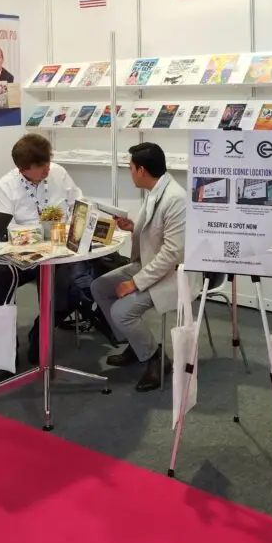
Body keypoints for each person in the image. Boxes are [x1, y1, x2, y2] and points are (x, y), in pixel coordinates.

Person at [92, 142, 187, 393]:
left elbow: (172, 253)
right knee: (100, 287)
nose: (130, 172)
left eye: (131, 168)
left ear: (142, 170)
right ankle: (137, 345)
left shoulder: (175, 199)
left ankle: (156, 359)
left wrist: (135, 283)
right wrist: (131, 226)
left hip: (170, 274)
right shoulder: (156, 190)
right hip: (149, 264)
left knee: (122, 312)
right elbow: (154, 233)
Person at [0, 134, 81, 379]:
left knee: (72, 287)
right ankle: (5, 353)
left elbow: (79, 203)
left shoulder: (58, 173)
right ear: (23, 169)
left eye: (48, 162)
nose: (47, 169)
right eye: (41, 167)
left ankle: (40, 334)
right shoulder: (7, 185)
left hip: (59, 252)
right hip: (23, 255)